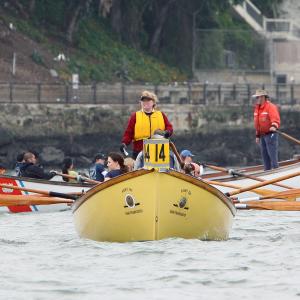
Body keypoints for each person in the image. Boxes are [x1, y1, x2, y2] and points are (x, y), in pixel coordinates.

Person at [121, 90, 173, 159]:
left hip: (159, 151)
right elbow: (129, 133)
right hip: (139, 151)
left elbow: (169, 127)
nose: (145, 102)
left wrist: (167, 132)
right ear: (141, 103)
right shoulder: (135, 116)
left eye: (148, 100)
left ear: (153, 102)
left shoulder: (161, 114)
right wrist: (124, 143)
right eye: (143, 101)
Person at [253, 89, 280, 170]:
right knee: (264, 154)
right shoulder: (257, 108)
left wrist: (274, 126)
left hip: (271, 134)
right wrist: (257, 135)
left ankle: (276, 169)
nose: (257, 99)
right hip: (262, 135)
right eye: (256, 97)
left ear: (263, 97)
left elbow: (275, 119)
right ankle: (267, 170)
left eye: (258, 97)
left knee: (271, 153)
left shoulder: (271, 107)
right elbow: (258, 123)